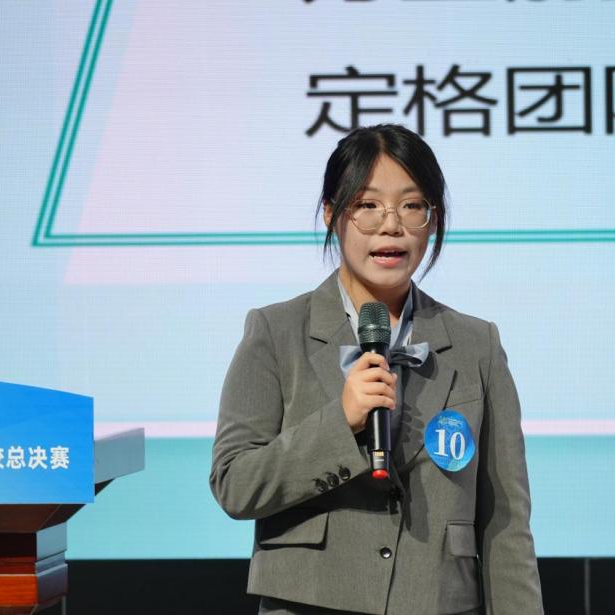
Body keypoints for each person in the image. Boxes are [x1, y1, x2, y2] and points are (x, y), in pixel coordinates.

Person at [210, 124, 544, 615]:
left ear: (432, 219)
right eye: (367, 205)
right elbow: (235, 485)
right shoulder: (276, 333)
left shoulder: (477, 345)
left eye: (412, 206)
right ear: (331, 213)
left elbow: (506, 523)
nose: (392, 225)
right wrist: (339, 422)